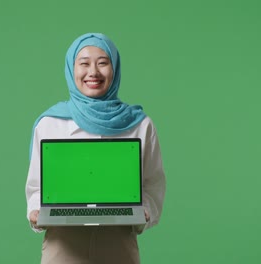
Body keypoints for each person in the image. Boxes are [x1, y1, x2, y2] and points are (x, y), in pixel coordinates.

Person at [25, 33, 166, 264]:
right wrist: (35, 211)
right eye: (84, 63)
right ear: (72, 70)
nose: (93, 72)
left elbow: (153, 183)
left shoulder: (140, 124)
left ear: (115, 68)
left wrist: (145, 210)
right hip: (63, 245)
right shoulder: (50, 123)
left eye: (102, 62)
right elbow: (36, 187)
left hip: (118, 243)